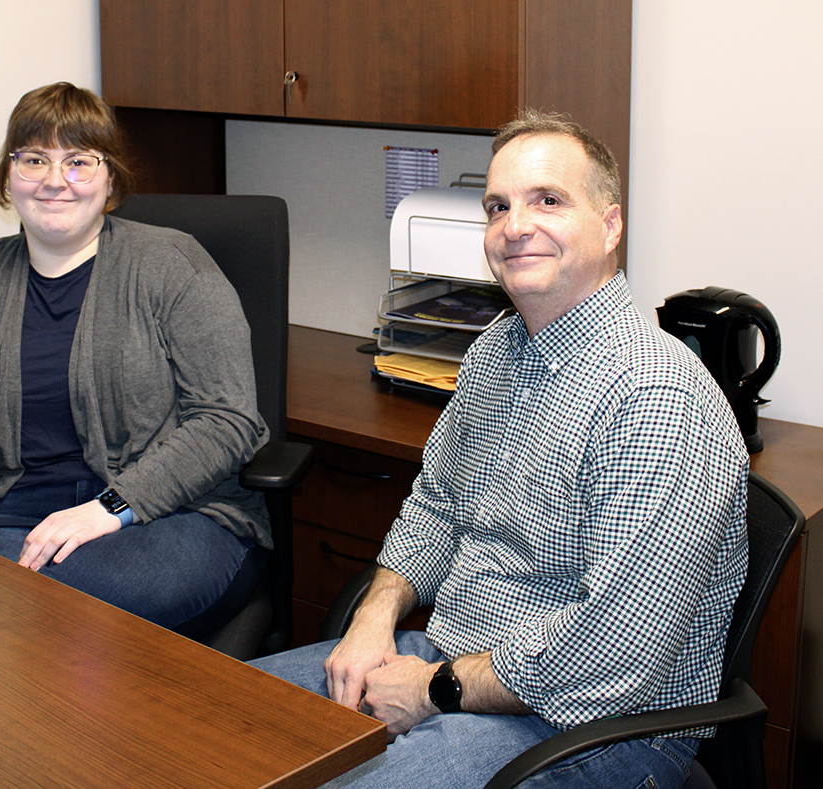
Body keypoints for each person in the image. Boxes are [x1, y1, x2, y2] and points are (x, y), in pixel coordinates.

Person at [251, 110, 749, 789]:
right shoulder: (495, 351)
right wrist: (375, 616)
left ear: (610, 226)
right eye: (498, 206)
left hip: (591, 728)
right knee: (220, 719)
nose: (516, 226)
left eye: (548, 200)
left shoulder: (655, 397)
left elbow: (609, 651)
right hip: (452, 662)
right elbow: (436, 504)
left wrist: (434, 689)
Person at [0, 82, 270, 633]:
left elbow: (227, 420)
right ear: (8, 177)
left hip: (161, 521)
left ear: (110, 179)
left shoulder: (173, 266)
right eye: (34, 159)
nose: (55, 180)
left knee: (18, 612)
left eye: (79, 161)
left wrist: (109, 507)